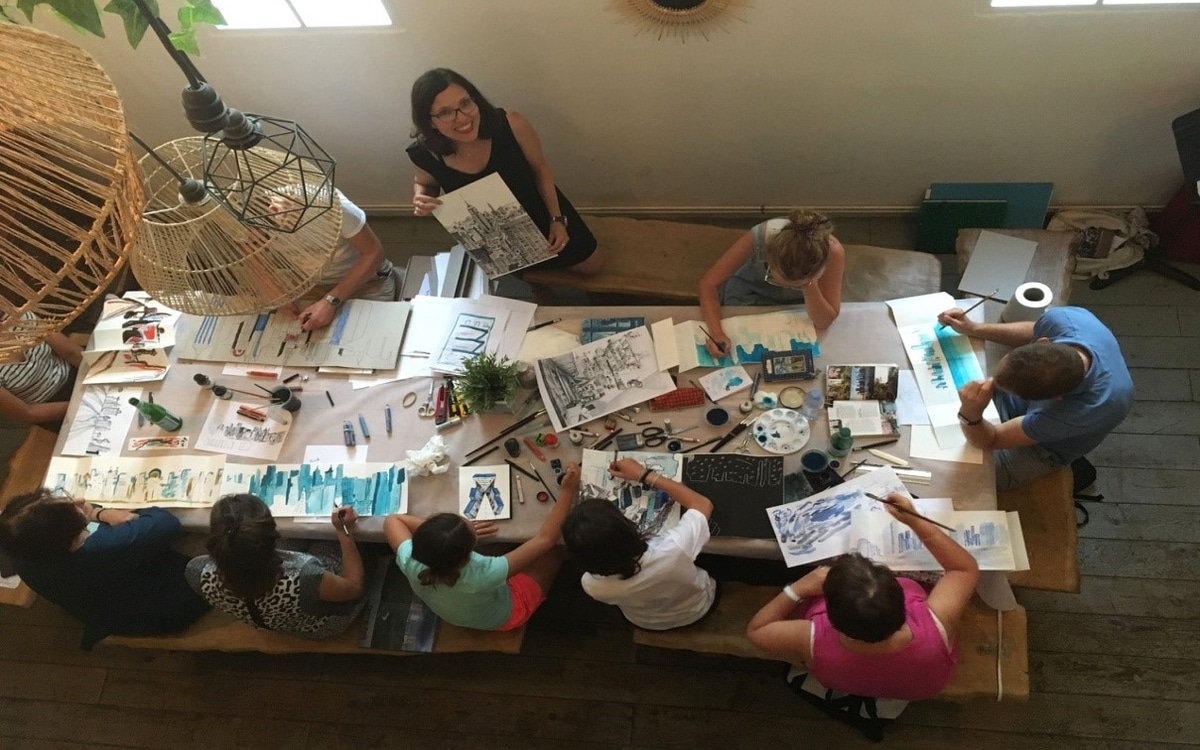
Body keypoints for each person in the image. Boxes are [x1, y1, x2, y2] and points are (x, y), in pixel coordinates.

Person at [746, 494, 979, 701]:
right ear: (901, 604)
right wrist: (915, 520)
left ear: (830, 615)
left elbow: (757, 631)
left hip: (845, 679)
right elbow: (963, 569)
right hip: (921, 685)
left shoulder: (811, 638)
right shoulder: (936, 624)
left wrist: (797, 589)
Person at [406, 68, 604, 275]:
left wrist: (557, 220)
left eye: (465, 103)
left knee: (593, 265)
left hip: (541, 208)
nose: (463, 117)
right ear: (429, 121)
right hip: (494, 232)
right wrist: (421, 197)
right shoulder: (424, 153)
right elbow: (425, 183)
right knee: (526, 273)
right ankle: (542, 292)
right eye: (445, 112)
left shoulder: (511, 123)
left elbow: (541, 169)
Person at [936, 305, 1133, 490]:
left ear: (1056, 398)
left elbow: (991, 439)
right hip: (1042, 408)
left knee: (963, 478)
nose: (992, 384)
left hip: (1043, 448)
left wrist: (971, 414)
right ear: (1043, 343)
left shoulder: (1084, 410)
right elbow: (1033, 330)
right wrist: (974, 328)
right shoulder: (1065, 320)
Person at [0, 489, 209, 649]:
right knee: (208, 536)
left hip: (100, 610)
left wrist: (94, 514)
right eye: (72, 509)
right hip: (166, 610)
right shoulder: (101, 548)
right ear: (72, 541)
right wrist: (99, 513)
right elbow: (166, 522)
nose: (80, 501)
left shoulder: (20, 546)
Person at [383, 463, 578, 631]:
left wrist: (445, 535)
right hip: (504, 615)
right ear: (468, 552)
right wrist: (568, 490)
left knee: (515, 551)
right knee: (554, 553)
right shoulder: (485, 573)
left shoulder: (412, 560)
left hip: (458, 610)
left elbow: (393, 520)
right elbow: (546, 539)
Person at [562, 457, 717, 630]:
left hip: (644, 622)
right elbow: (703, 504)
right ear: (627, 527)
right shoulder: (673, 549)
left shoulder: (590, 585)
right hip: (697, 610)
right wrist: (644, 474)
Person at [185, 494, 365, 639]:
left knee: (304, 537)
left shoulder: (197, 570)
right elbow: (355, 588)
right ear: (273, 536)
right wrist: (343, 530)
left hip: (269, 618)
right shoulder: (304, 577)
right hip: (321, 624)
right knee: (334, 542)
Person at [698, 209, 846, 354]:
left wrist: (809, 286)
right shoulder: (762, 235)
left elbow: (824, 321)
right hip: (751, 292)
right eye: (775, 279)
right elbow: (708, 284)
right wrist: (716, 332)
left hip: (797, 304)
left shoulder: (832, 252)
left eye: (796, 285)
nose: (783, 287)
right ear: (769, 258)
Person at [279, 190, 403, 332]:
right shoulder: (252, 214)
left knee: (364, 336)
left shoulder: (329, 204)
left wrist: (331, 301)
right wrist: (274, 292)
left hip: (365, 281)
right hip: (309, 284)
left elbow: (373, 253)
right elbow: (252, 260)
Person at [0, 324, 83, 425]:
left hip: (75, 375)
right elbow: (28, 413)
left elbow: (72, 353)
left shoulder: (20, 319)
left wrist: (97, 373)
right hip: (52, 410)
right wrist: (82, 406)